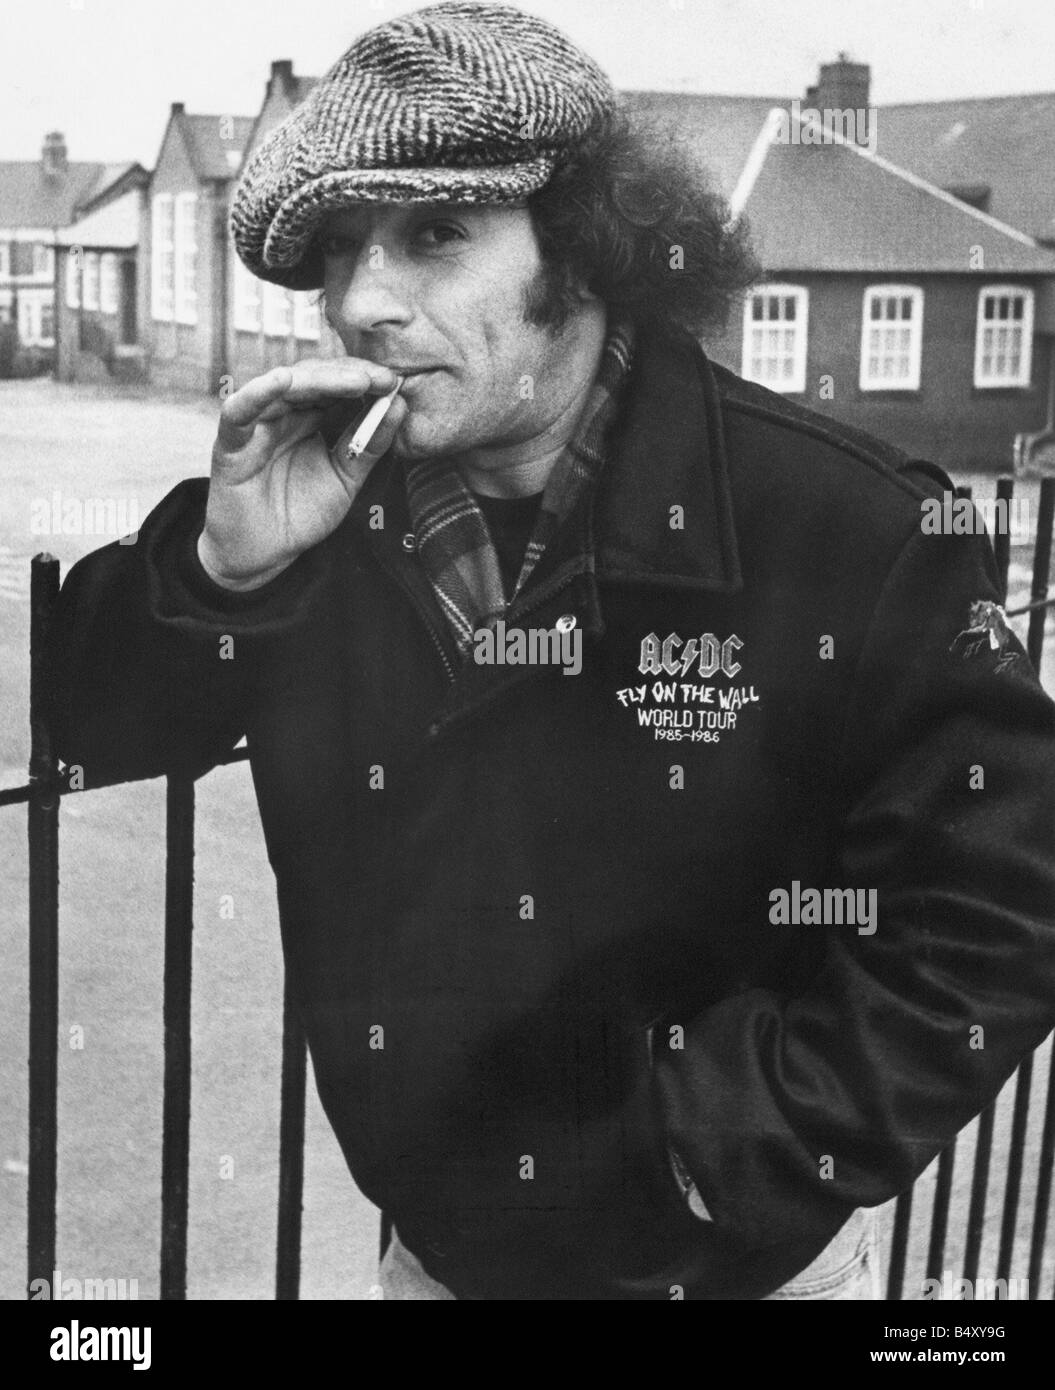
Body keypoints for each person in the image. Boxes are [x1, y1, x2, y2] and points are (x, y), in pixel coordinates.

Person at [45, 1, 1055, 1300]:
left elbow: (1003, 895)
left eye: (433, 235)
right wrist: (218, 572)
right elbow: (78, 724)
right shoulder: (319, 522)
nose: (361, 300)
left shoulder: (843, 522)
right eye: (342, 250)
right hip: (440, 1261)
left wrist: (730, 1144)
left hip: (735, 1271)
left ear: (582, 246)